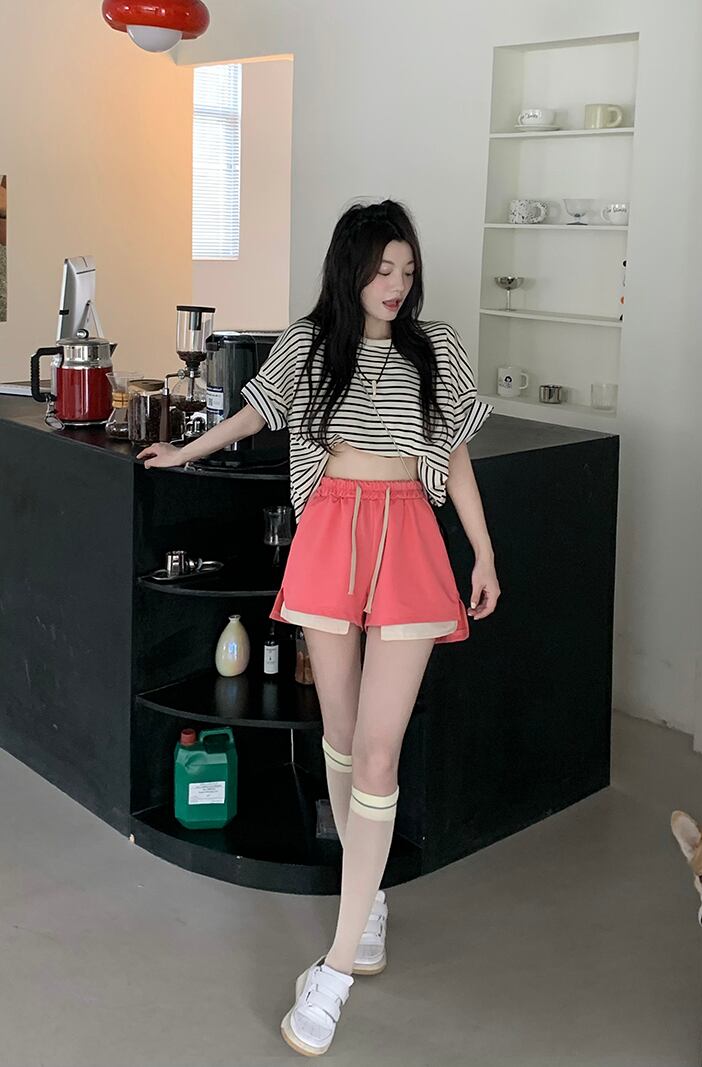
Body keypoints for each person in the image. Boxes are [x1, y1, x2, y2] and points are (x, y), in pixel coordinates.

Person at [138, 198, 501, 1056]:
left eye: (406, 271)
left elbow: (452, 451)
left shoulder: (436, 346)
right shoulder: (310, 344)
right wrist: (187, 450)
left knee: (378, 752)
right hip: (332, 531)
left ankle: (332, 971)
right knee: (338, 737)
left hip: (408, 535)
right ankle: (366, 903)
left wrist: (483, 551)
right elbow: (255, 413)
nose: (396, 285)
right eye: (381, 270)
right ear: (351, 270)